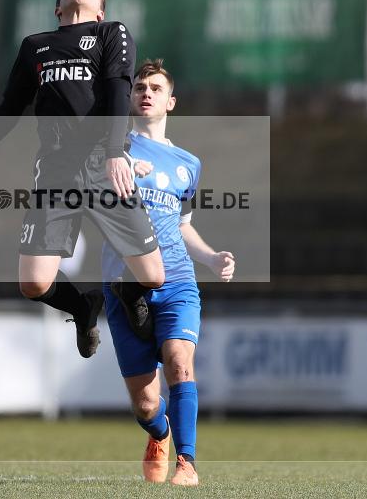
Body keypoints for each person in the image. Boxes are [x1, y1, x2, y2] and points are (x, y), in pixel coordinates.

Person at [0, 0, 165, 357]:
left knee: (153, 276)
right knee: (34, 284)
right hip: (56, 171)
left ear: (102, 10)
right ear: (58, 7)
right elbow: (8, 111)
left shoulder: (112, 34)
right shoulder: (35, 46)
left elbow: (118, 94)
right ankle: (82, 306)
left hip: (104, 164)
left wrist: (113, 152)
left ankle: (128, 291)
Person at [101, 59, 235, 487]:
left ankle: (188, 462)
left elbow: (182, 224)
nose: (146, 92)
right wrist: (116, 172)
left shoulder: (188, 164)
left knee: (180, 363)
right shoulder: (110, 151)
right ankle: (159, 434)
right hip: (124, 286)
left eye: (155, 88)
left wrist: (211, 258)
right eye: (139, 86)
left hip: (177, 280)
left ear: (170, 101)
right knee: (145, 404)